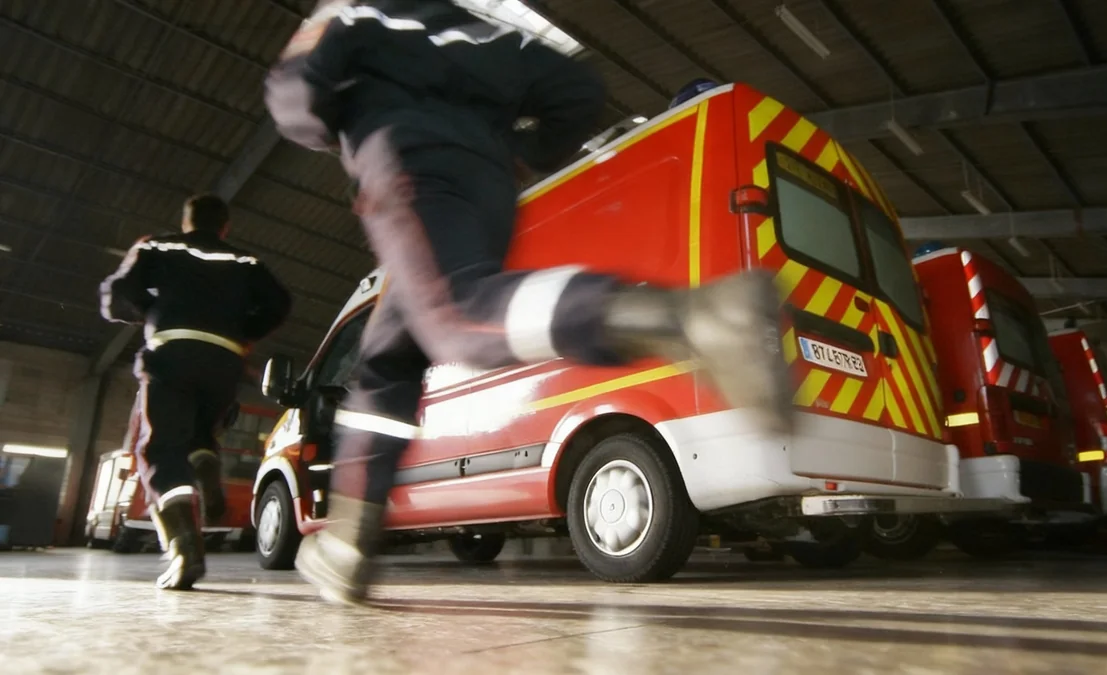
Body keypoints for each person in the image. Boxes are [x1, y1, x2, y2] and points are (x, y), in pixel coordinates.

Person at [265, 0, 795, 605]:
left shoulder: (352, 13)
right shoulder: (486, 29)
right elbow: (578, 89)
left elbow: (297, 99)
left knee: (454, 317)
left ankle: (688, 319)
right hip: (489, 186)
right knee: (389, 360)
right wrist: (525, 152)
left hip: (406, 157)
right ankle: (350, 537)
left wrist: (351, 126)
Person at [99, 194, 292, 590]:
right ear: (225, 227)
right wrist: (243, 333)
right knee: (199, 431)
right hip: (223, 360)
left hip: (172, 352)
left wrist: (150, 311)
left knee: (160, 450)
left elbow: (117, 293)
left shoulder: (158, 247)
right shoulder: (245, 261)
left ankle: (184, 547)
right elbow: (279, 303)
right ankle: (205, 454)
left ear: (187, 221)